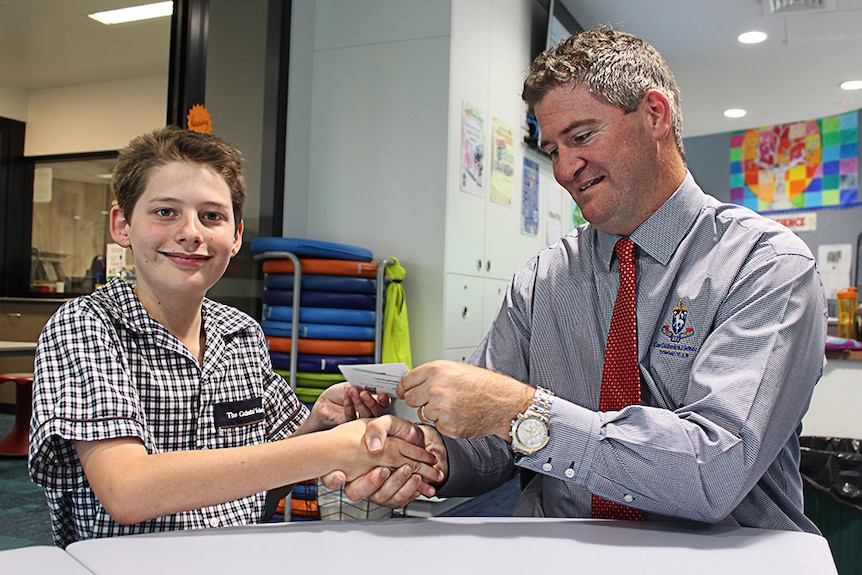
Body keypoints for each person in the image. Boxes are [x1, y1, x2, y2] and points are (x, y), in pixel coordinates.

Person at [339, 26, 828, 533]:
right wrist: (432, 456)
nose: (565, 169)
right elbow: (493, 444)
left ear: (655, 115)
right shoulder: (542, 282)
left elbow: (713, 470)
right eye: (553, 149)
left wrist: (521, 410)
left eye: (581, 137)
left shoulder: (766, 267)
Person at [29, 126, 440, 548]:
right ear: (122, 225)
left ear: (236, 235)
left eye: (212, 216)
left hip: (240, 556)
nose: (192, 232)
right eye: (165, 212)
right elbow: (127, 491)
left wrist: (321, 422)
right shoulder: (86, 325)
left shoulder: (239, 332)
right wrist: (332, 450)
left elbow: (275, 473)